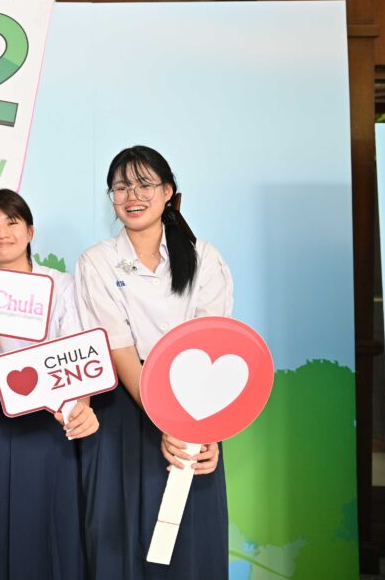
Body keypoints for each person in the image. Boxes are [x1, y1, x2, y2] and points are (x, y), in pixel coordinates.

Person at [75, 145, 233, 580]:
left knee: (191, 539)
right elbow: (119, 348)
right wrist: (167, 418)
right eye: (121, 187)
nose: (132, 195)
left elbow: (214, 347)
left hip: (194, 407)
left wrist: (204, 431)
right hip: (125, 408)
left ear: (168, 192)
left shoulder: (205, 257)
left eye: (144, 184)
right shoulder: (97, 261)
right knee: (121, 538)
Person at [0, 189, 98, 580]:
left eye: (12, 222)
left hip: (50, 419)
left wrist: (81, 406)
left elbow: (79, 354)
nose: (2, 233)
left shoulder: (62, 286)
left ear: (30, 231)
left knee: (51, 527)